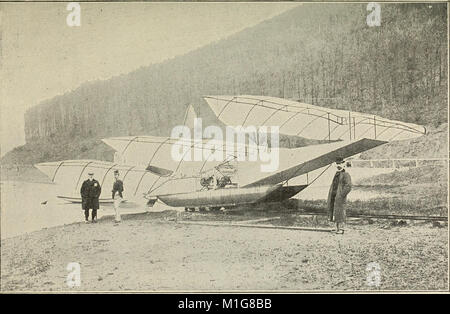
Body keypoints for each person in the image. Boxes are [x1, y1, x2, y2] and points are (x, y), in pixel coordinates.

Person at [327, 158, 352, 234]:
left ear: (343, 164)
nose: (338, 165)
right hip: (334, 195)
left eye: (340, 164)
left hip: (339, 196)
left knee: (340, 212)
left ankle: (341, 229)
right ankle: (337, 228)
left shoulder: (346, 174)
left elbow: (348, 186)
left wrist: (341, 195)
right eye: (337, 164)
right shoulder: (337, 174)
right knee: (335, 212)